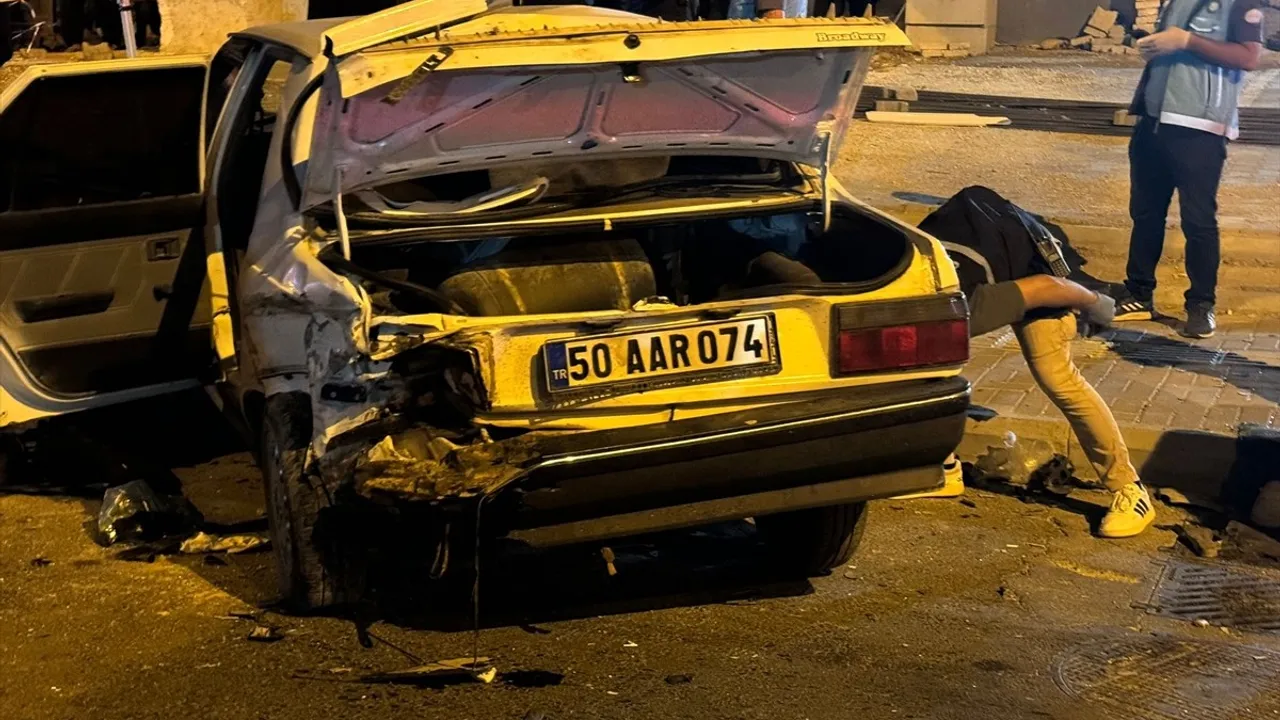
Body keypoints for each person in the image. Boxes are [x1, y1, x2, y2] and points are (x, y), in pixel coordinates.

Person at [911, 187, 1156, 539]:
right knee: (926, 367)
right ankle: (945, 470)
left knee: (1057, 377)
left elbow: (1047, 286)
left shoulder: (966, 305)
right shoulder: (910, 296)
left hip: (1035, 267)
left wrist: (1098, 303)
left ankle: (1129, 490)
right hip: (985, 243)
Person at [1114, 0, 1266, 338]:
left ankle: (1201, 304)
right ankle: (1139, 294)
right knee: (1146, 213)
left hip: (1200, 128)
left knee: (1198, 220)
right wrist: (1154, 45)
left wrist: (1187, 41)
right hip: (1153, 121)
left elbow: (1249, 57)